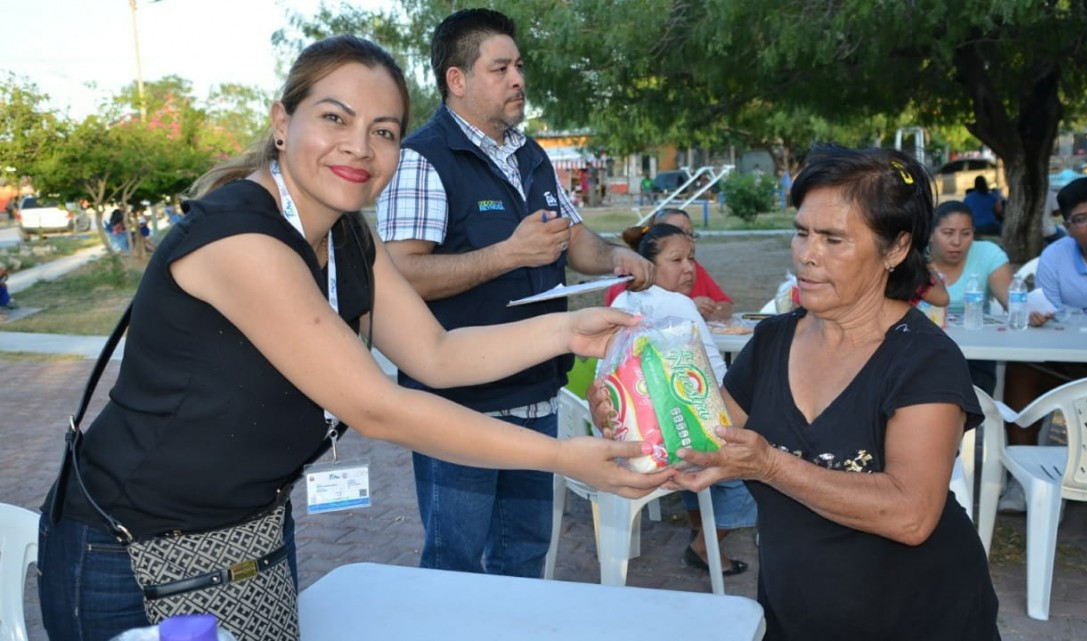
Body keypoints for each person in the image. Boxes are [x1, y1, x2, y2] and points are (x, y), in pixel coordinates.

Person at [37, 35, 669, 641]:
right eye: (335, 118)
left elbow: (437, 355)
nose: (359, 147)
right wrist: (563, 457)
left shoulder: (348, 236)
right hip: (132, 549)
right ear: (282, 122)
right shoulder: (242, 239)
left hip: (253, 535)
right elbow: (377, 406)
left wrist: (565, 329)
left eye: (384, 131)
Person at [602, 145, 1001, 639]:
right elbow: (707, 441)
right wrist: (635, 417)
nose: (806, 255)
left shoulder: (924, 359)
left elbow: (911, 514)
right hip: (797, 612)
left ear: (896, 249)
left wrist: (771, 464)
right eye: (802, 232)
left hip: (919, 616)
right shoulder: (773, 341)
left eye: (834, 239)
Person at [374, 8, 654, 579]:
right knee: (456, 565)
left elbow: (575, 241)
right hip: (458, 407)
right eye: (500, 68)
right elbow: (399, 275)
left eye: (518, 66)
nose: (518, 79)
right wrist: (508, 254)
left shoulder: (531, 154)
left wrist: (616, 258)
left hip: (537, 395)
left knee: (524, 559)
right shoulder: (422, 160)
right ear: (458, 79)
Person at [609, 223, 755, 576]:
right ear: (648, 265)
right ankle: (704, 544)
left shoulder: (620, 300)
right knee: (755, 459)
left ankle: (701, 527)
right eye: (677, 260)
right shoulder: (678, 304)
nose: (689, 268)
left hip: (629, 433)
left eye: (691, 258)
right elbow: (716, 377)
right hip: (670, 439)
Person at [1004, 176, 1087, 442]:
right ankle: (1020, 467)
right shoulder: (1054, 257)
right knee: (1022, 367)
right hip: (1073, 361)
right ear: (1066, 226)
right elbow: (1051, 318)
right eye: (1081, 218)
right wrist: (1039, 318)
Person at [927, 199, 1012, 394]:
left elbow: (1012, 303)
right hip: (925, 347)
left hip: (977, 351)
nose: (957, 242)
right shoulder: (914, 259)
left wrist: (1031, 311)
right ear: (930, 234)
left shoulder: (988, 254)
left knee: (974, 390)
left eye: (966, 234)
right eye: (948, 233)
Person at [605, 209, 733, 321]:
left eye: (690, 233)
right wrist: (686, 310)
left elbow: (725, 306)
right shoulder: (627, 286)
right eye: (676, 231)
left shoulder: (693, 268)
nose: (686, 238)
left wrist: (706, 312)